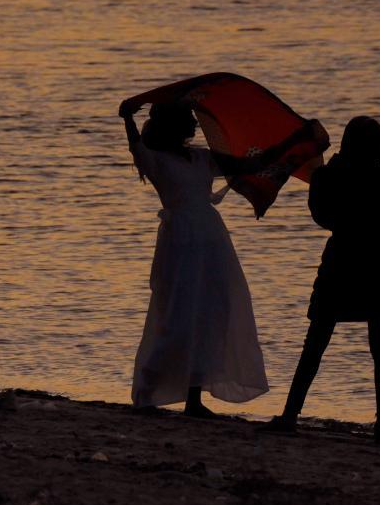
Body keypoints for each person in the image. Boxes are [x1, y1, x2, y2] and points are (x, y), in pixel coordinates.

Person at [119, 99, 319, 417]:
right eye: (189, 119)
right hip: (180, 243)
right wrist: (128, 116)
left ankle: (194, 399)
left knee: (210, 312)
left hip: (212, 241)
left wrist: (291, 142)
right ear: (173, 125)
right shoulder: (155, 159)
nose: (195, 125)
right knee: (177, 315)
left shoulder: (201, 157)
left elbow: (244, 164)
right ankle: (147, 390)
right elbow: (135, 147)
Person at [265, 116, 380, 441]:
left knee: (316, 341)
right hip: (377, 258)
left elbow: (321, 215)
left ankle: (291, 414)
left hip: (341, 257)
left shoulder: (328, 176)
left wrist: (332, 172)